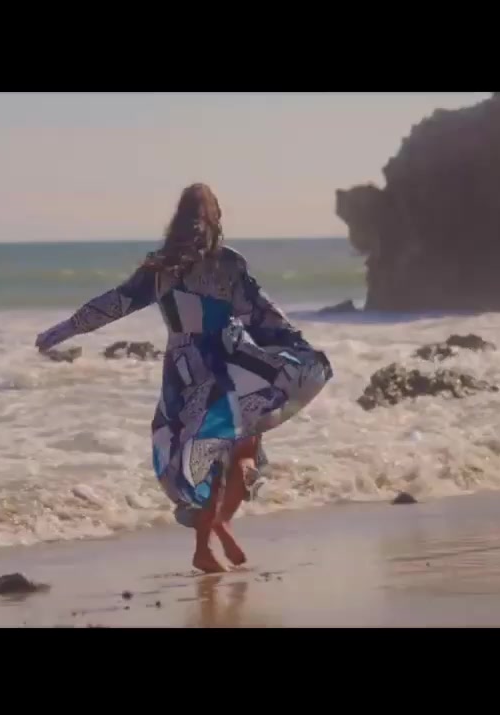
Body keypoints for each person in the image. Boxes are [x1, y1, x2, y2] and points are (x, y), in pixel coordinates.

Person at [35, 183, 332, 573]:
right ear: (216, 218)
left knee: (210, 454)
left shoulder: (162, 268)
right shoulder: (226, 263)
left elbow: (115, 303)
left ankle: (210, 536)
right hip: (229, 362)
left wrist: (65, 329)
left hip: (186, 367)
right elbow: (262, 314)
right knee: (237, 452)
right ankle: (214, 532)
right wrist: (296, 346)